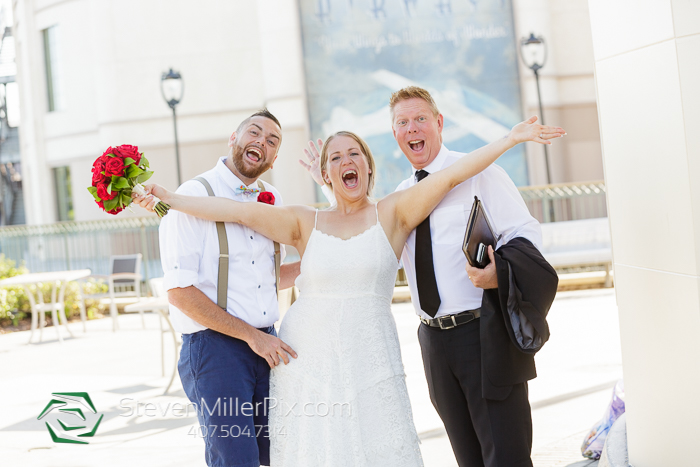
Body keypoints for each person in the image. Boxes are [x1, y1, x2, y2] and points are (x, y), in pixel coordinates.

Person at [134, 119, 563, 466]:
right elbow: (235, 211)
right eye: (335, 157)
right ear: (326, 174)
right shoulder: (304, 221)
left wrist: (510, 139)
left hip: (369, 358)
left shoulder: (394, 212)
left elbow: (452, 174)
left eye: (354, 153)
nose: (346, 161)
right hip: (308, 361)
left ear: (368, 167)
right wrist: (169, 199)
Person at [303, 87, 562, 467]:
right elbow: (358, 232)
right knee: (467, 457)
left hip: (483, 333)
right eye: (402, 123)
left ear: (439, 123)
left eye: (420, 119)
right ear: (395, 135)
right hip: (434, 344)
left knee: (506, 455)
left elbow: (525, 233)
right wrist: (328, 181)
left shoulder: (480, 172)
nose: (413, 129)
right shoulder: (402, 197)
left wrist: (497, 274)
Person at [157, 109, 301, 467]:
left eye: (272, 141)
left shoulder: (273, 198)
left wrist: (324, 265)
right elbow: (179, 291)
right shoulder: (192, 195)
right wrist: (251, 336)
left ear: (274, 158)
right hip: (215, 350)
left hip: (267, 346)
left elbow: (265, 277)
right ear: (233, 138)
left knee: (277, 456)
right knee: (236, 460)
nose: (261, 143)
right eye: (254, 133)